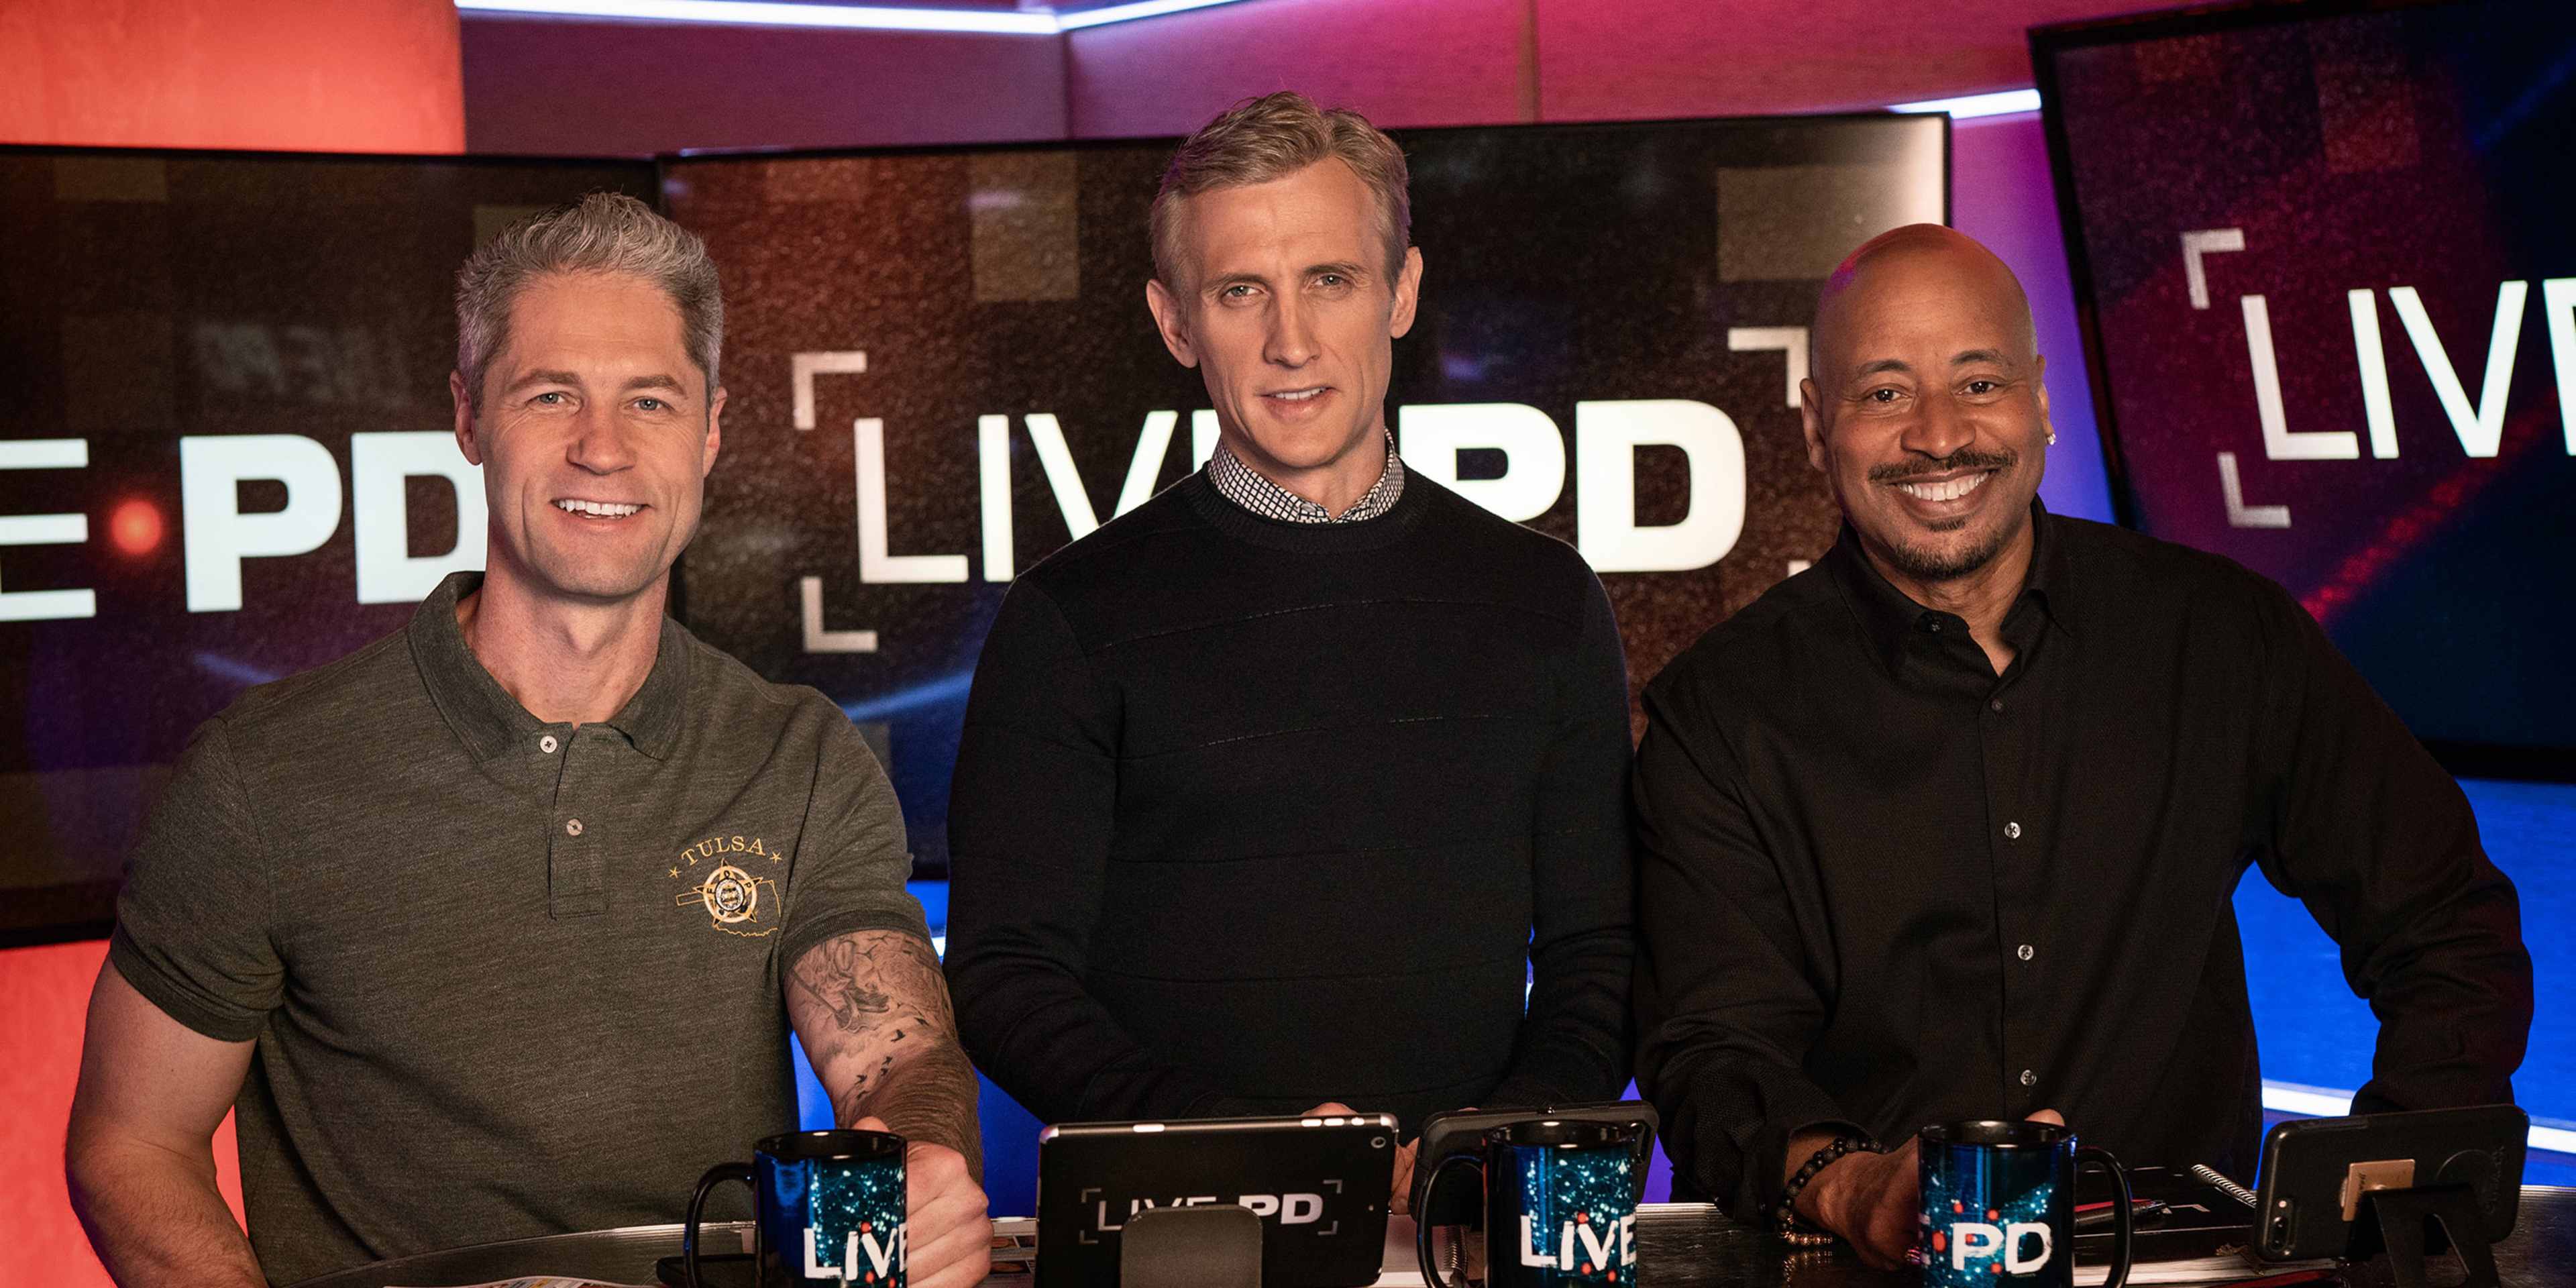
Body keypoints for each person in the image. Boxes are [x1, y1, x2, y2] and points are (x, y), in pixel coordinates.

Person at [64, 195, 991, 1288]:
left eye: (650, 400)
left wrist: (914, 1160)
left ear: (710, 430)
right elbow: (133, 1146)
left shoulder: (799, 755)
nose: (602, 448)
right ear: (467, 418)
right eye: (552, 395)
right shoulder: (261, 776)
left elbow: (900, 1053)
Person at [1631, 222, 2533, 1266]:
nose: (1937, 434)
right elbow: (1715, 1050)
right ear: (1814, 423)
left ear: (2041, 400)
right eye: (1884, 392)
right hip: (1856, 1267)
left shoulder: (2223, 636)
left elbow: (2443, 916)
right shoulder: (1719, 714)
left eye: (1979, 382)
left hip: (2178, 1263)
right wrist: (1862, 1193)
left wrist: (2394, 1159)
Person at [943, 92, 1636, 1204]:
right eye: (1240, 292)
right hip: (1178, 1230)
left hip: (1470, 1226)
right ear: (1176, 323)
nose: (1291, 339)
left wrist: (1479, 1154)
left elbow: (1601, 958)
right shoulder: (1068, 618)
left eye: (1330, 279)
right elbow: (1004, 977)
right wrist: (1242, 1145)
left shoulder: (1545, 601)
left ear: (1400, 292)